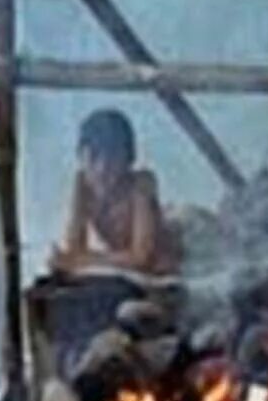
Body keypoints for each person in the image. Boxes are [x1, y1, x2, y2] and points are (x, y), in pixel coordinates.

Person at [49, 108, 179, 276]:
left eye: (113, 156)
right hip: (126, 260)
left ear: (129, 159)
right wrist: (74, 258)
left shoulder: (141, 183)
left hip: (176, 245)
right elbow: (74, 248)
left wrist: (82, 259)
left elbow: (141, 258)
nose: (102, 168)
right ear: (80, 156)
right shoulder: (82, 184)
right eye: (94, 156)